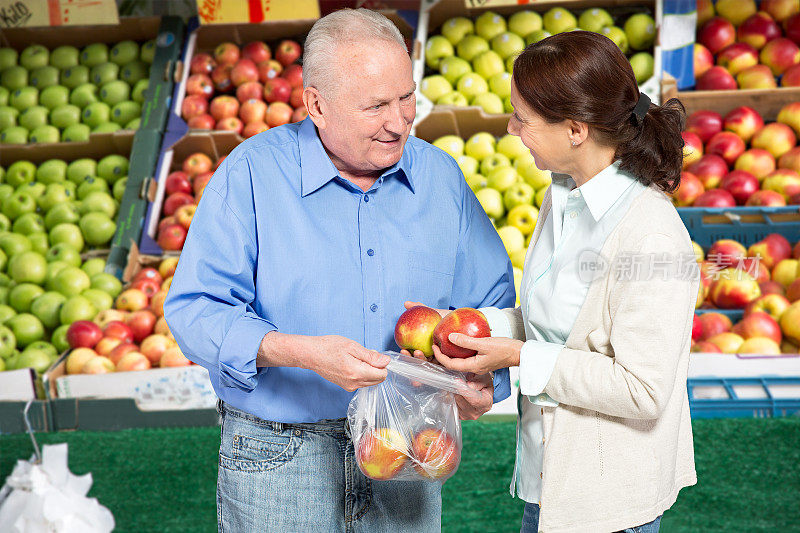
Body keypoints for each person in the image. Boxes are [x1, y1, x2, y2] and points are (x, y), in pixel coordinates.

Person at [164, 8, 515, 533]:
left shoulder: (440, 177)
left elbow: (493, 304)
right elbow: (196, 310)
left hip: (404, 444)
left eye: (406, 97)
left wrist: (481, 373)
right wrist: (301, 352)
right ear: (316, 105)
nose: (399, 121)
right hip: (278, 452)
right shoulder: (251, 176)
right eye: (375, 106)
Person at [426, 31, 698, 532]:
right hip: (550, 485)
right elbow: (556, 322)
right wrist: (469, 325)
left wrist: (516, 357)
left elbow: (642, 390)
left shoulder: (652, 236)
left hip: (609, 505)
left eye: (522, 119)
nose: (510, 128)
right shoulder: (564, 197)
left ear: (575, 129)